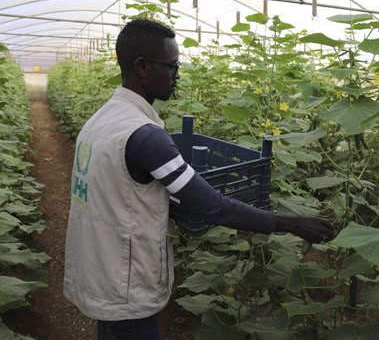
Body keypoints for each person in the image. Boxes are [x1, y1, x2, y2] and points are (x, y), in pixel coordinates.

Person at [64, 19, 336, 340]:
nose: (177, 75)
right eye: (172, 66)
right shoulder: (144, 136)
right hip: (127, 281)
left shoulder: (102, 119)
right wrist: (292, 224)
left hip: (102, 266)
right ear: (142, 67)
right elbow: (211, 206)